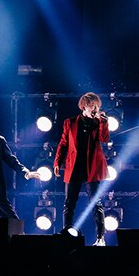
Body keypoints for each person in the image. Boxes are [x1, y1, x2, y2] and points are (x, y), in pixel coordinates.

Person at [54, 92, 110, 246]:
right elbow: (63, 143)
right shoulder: (70, 123)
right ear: (84, 107)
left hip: (92, 168)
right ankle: (66, 234)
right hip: (74, 168)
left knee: (95, 203)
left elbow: (104, 138)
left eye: (97, 106)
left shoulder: (99, 122)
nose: (95, 109)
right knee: (69, 203)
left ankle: (100, 238)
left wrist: (103, 123)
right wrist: (57, 162)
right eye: (92, 106)